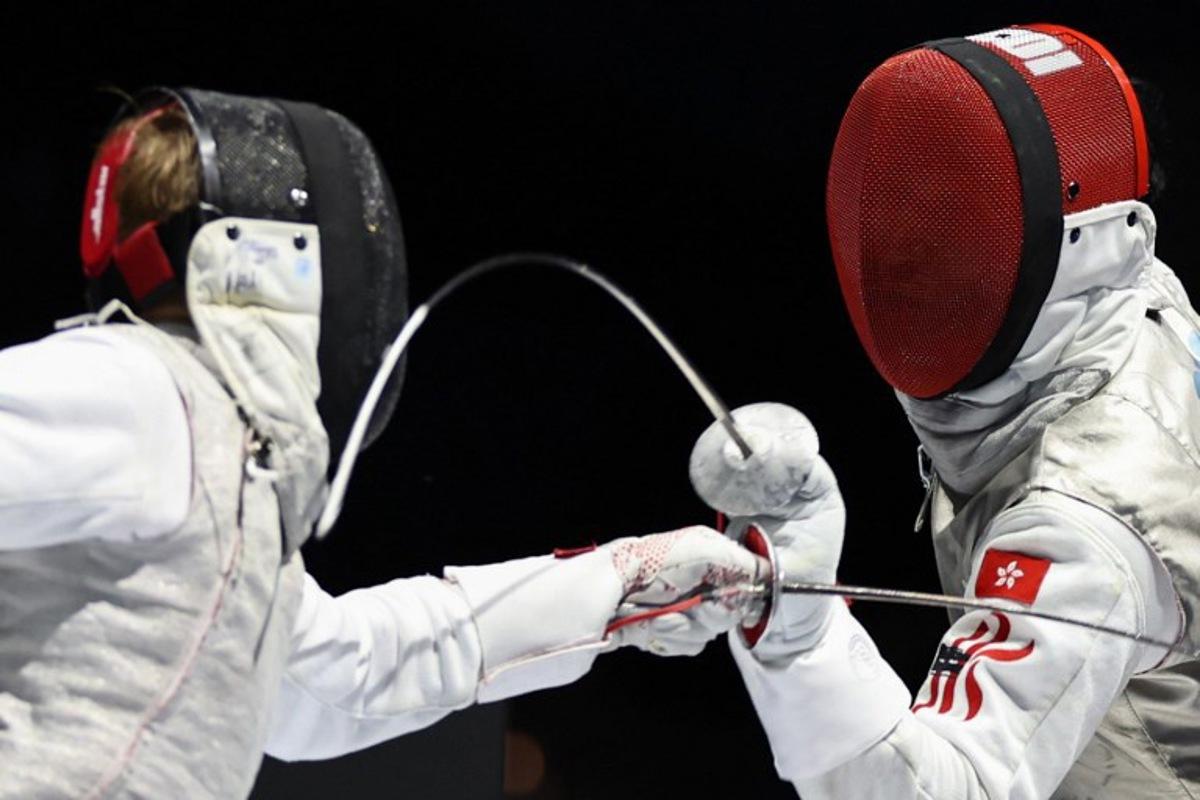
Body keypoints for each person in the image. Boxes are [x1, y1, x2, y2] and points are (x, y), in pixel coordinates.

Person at [0, 88, 764, 799]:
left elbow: (339, 677)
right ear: (274, 262)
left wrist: (618, 585)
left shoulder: (222, 475)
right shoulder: (141, 393)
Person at [685, 24, 1200, 799]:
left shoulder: (1088, 517)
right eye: (904, 207)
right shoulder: (1123, 300)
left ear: (1070, 237)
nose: (904, 251)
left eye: (956, 217)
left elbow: (949, 788)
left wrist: (799, 645)